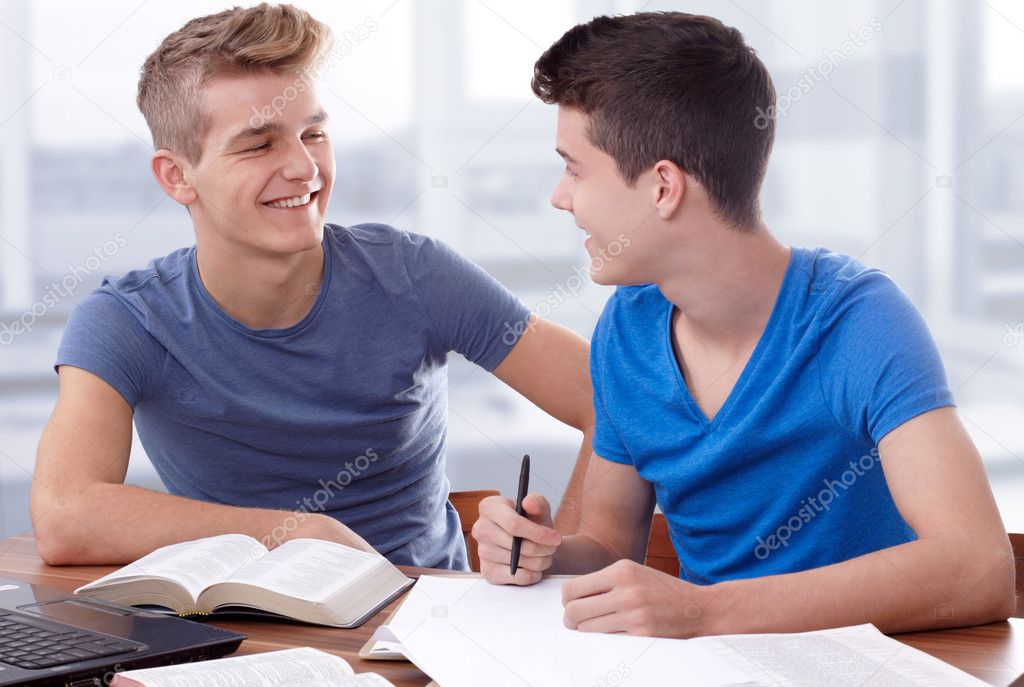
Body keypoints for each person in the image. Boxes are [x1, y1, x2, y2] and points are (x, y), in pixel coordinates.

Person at [473, 11, 1015, 636]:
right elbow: (608, 546)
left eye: (574, 168)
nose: (560, 197)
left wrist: (707, 611)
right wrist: (542, 553)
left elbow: (979, 567)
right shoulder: (625, 331)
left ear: (662, 188)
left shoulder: (859, 321)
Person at [31, 3, 594, 570]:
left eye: (314, 133)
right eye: (259, 145)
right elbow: (64, 513)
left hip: (423, 624)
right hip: (241, 637)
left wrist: (568, 558)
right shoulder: (128, 318)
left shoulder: (415, 273)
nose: (304, 167)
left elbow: (615, 401)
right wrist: (298, 533)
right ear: (177, 176)